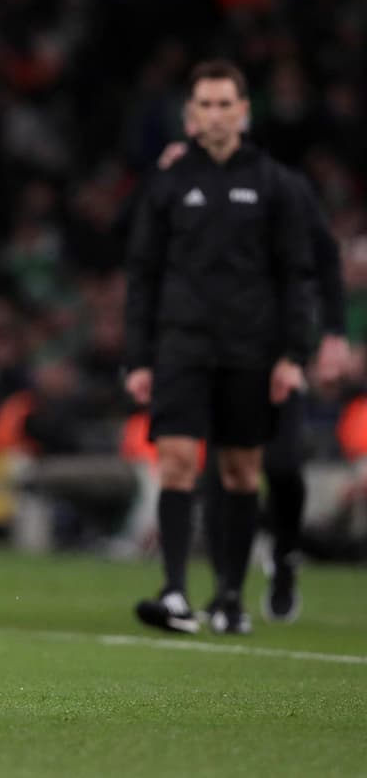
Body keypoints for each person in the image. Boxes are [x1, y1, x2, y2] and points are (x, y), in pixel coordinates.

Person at [125, 58, 315, 636]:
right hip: (181, 345)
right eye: (203, 104)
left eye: (223, 103)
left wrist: (292, 354)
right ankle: (176, 592)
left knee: (239, 472)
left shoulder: (274, 184)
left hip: (250, 350)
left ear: (243, 111)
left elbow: (295, 274)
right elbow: (143, 273)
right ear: (189, 115)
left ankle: (230, 596)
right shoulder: (169, 183)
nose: (213, 114)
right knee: (178, 463)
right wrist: (138, 356)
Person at [156, 118, 350, 626]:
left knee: (282, 465)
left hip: (279, 349)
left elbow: (323, 261)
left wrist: (330, 334)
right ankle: (227, 590)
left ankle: (285, 557)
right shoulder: (191, 188)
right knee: (227, 469)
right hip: (224, 352)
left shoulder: (283, 189)